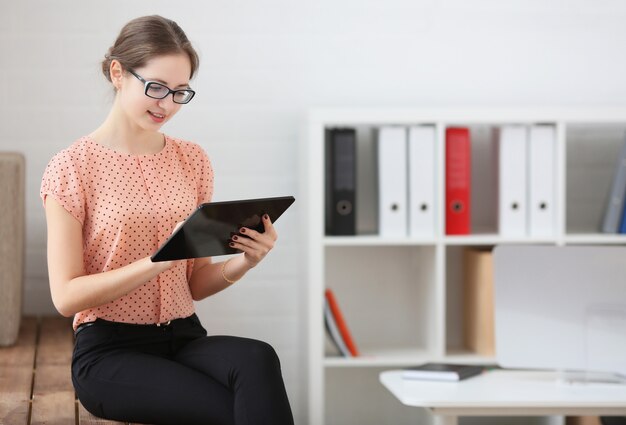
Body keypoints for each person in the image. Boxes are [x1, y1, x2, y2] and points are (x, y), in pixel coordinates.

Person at [40, 15, 294, 425]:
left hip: (183, 336)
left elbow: (195, 283)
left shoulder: (192, 160)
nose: (167, 104)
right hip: (109, 350)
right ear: (118, 73)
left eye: (180, 92)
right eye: (156, 87)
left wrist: (246, 261)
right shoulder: (72, 167)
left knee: (257, 358)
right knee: (229, 408)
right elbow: (66, 297)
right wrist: (158, 260)